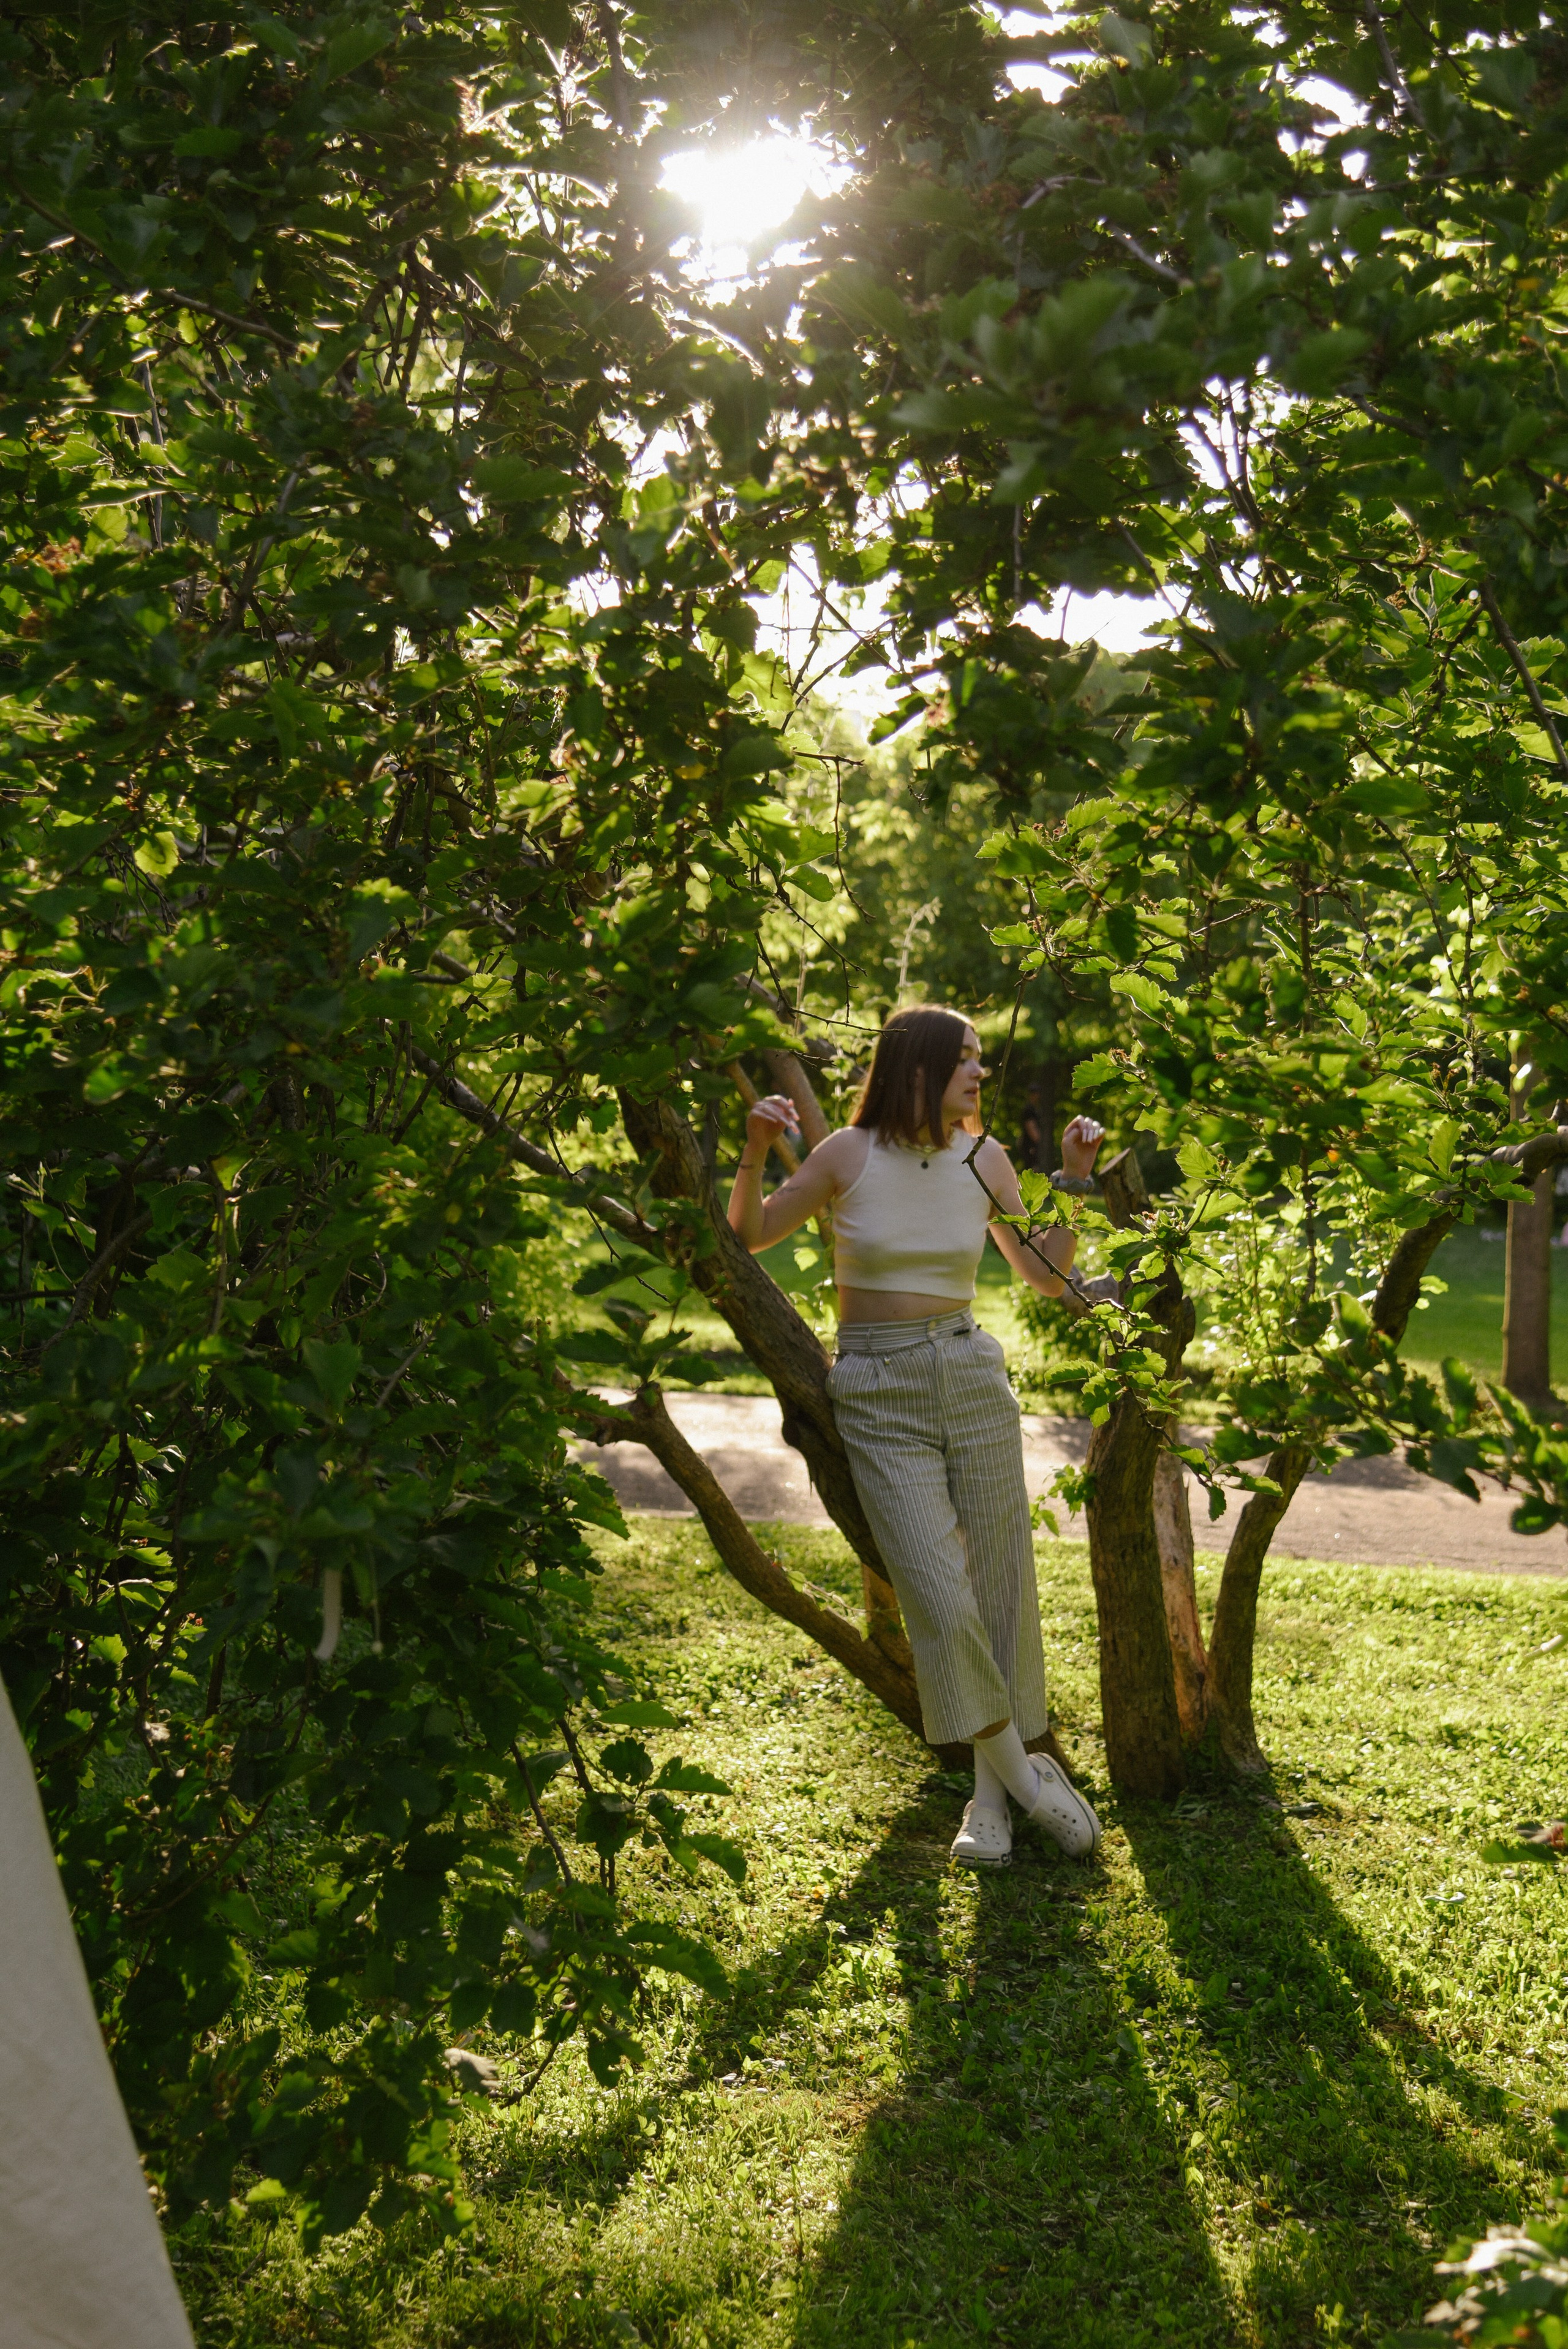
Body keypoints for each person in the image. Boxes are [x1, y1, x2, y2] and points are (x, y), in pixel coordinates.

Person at [726, 1003, 1105, 1869]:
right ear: (919, 1070)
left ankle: (987, 1802)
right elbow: (750, 1235)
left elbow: (1044, 1279)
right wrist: (752, 1152)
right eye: (966, 1060)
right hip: (877, 1386)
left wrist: (1074, 1178)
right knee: (937, 1592)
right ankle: (1030, 1781)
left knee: (1000, 1582)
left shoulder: (984, 1158)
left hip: (972, 1376)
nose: (980, 1074)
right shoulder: (847, 1157)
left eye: (980, 1060)